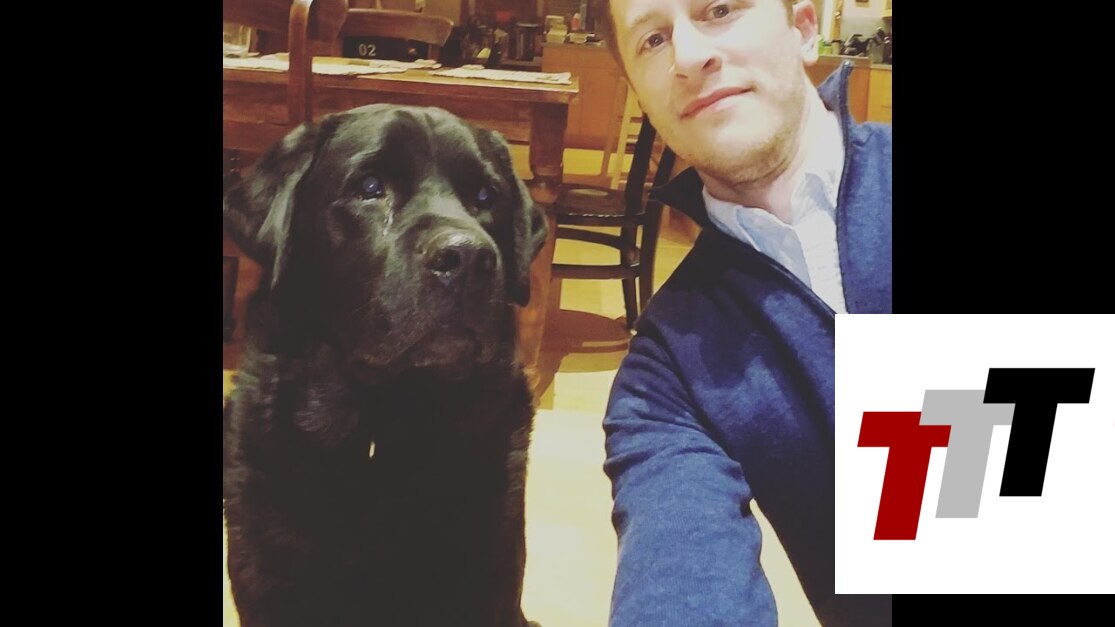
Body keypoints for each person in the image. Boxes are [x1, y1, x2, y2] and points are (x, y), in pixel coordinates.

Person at [593, 0, 892, 624]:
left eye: (719, 8)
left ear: (803, 27)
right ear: (642, 99)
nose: (688, 55)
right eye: (653, 40)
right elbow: (679, 572)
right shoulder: (669, 370)